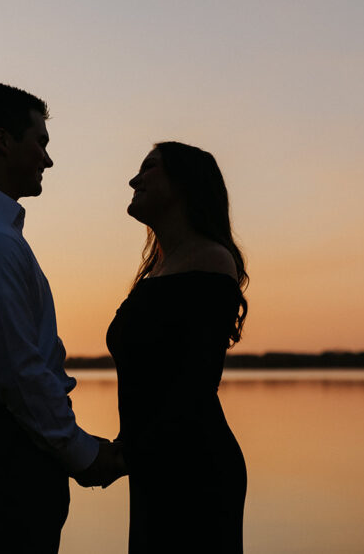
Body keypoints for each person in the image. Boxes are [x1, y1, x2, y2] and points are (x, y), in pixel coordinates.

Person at [0, 83, 125, 554]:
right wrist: (84, 455)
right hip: (1, 467)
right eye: (40, 142)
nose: (47, 160)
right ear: (3, 141)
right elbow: (20, 372)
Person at [106, 141, 248, 553]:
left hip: (194, 468)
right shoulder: (157, 269)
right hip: (152, 464)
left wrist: (126, 456)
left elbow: (194, 386)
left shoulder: (213, 261)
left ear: (184, 183)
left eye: (148, 167)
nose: (134, 180)